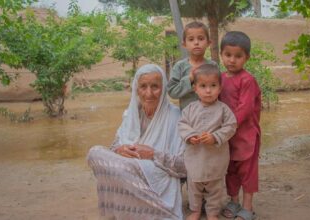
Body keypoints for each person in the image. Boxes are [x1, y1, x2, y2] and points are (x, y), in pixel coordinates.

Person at [87, 64, 186, 220]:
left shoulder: (175, 116)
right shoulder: (132, 113)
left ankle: (157, 208)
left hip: (156, 172)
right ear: (136, 89)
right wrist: (120, 149)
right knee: (94, 152)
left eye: (155, 87)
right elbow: (114, 146)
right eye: (143, 87)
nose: (149, 93)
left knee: (123, 167)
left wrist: (153, 154)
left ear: (164, 88)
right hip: (128, 167)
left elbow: (185, 166)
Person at [178, 64, 237, 220]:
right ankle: (195, 210)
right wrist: (190, 136)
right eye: (203, 86)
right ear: (195, 88)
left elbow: (231, 126)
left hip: (215, 158)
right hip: (195, 157)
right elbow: (182, 124)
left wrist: (216, 137)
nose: (208, 90)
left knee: (215, 188)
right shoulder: (189, 109)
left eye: (213, 85)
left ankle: (212, 212)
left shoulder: (224, 109)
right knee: (194, 187)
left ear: (220, 88)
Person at [219, 31, 261, 220]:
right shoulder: (220, 78)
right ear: (221, 54)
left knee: (247, 172)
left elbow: (244, 109)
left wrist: (226, 126)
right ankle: (234, 201)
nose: (232, 60)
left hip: (246, 136)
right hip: (228, 136)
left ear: (246, 58)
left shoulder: (247, 80)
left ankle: (248, 207)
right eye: (228, 55)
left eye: (238, 56)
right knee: (231, 170)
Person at [168, 21, 217, 110]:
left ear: (208, 43)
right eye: (191, 39)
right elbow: (172, 92)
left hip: (210, 116)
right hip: (187, 118)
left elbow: (219, 89)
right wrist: (189, 79)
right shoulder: (179, 67)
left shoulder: (212, 66)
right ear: (184, 44)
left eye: (201, 38)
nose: (196, 42)